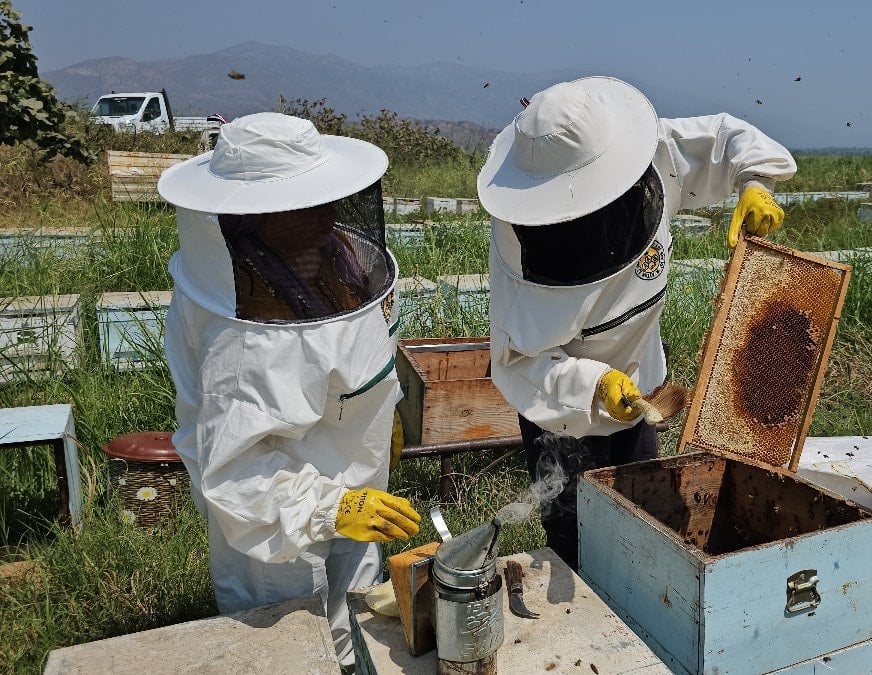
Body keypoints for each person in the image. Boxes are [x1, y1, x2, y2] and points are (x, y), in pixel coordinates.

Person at [476, 76, 797, 569]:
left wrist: (755, 182)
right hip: (562, 406)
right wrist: (594, 384)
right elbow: (518, 363)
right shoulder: (517, 260)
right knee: (571, 528)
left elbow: (725, 137)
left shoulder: (652, 156)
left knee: (644, 511)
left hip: (642, 389)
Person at [157, 112, 420, 667]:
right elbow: (231, 472)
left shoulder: (334, 260)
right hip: (269, 514)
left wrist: (381, 412)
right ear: (252, 219)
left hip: (350, 476)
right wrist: (329, 507)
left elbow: (349, 354)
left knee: (357, 619)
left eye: (326, 196)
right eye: (304, 204)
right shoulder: (242, 338)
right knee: (287, 642)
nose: (326, 214)